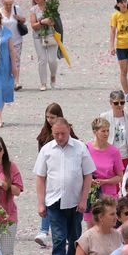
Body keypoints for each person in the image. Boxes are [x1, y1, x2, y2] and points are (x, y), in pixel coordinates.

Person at [34, 117, 96, 255]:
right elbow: (40, 178)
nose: (60, 137)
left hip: (75, 202)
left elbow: (88, 174)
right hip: (54, 200)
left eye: (62, 133)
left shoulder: (80, 148)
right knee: (59, 239)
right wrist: (41, 203)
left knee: (75, 237)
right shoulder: (47, 150)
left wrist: (84, 199)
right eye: (56, 134)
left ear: (69, 129)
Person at [34, 102, 78, 246]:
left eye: (52, 117)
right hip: (48, 173)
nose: (49, 120)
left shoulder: (67, 133)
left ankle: (51, 231)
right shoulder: (44, 133)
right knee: (48, 201)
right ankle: (44, 230)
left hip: (64, 173)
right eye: (47, 117)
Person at [83, 118, 124, 227]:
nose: (106, 133)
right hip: (91, 194)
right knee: (92, 229)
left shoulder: (114, 151)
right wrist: (89, 180)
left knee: (109, 228)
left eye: (107, 130)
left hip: (109, 195)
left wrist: (104, 181)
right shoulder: (86, 149)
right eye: (103, 131)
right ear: (95, 132)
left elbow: (120, 176)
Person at [100, 90, 128, 171]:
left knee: (127, 182)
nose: (119, 105)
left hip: (126, 156)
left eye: (122, 102)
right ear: (111, 103)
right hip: (110, 156)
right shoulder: (104, 116)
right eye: (116, 103)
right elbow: (99, 136)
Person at [30, 0, 60, 91]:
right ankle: (43, 83)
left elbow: (56, 21)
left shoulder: (51, 7)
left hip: (51, 35)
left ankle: (53, 75)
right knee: (42, 59)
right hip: (38, 37)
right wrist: (43, 22)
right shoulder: (33, 10)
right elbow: (33, 25)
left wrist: (51, 21)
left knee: (52, 60)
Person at [0, 0, 26, 91]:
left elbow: (24, 20)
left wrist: (19, 18)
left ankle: (16, 82)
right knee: (5, 62)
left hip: (16, 40)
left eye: (10, 4)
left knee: (16, 61)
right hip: (4, 42)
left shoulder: (17, 9)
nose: (9, 6)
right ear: (2, 3)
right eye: (7, 4)